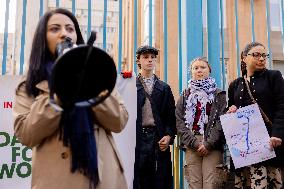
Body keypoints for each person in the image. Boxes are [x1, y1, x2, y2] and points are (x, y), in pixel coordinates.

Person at [13, 8, 128, 189]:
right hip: (57, 181)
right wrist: (59, 91)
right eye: (54, 29)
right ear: (42, 39)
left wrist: (89, 83)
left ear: (77, 36)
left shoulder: (98, 74)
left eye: (70, 28)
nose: (64, 34)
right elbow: (26, 135)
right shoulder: (29, 85)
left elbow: (119, 121)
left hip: (104, 178)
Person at [227, 41, 284, 188]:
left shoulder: (274, 76)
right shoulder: (235, 84)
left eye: (264, 55)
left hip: (269, 145)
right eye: (256, 55)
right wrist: (231, 109)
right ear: (244, 58)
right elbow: (229, 111)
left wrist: (277, 134)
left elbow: (282, 107)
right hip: (244, 150)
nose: (261, 58)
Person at [176, 57, 227, 189]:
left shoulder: (219, 94)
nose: (199, 70)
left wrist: (208, 143)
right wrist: (194, 143)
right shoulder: (185, 95)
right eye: (195, 68)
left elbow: (222, 121)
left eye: (202, 67)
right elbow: (179, 122)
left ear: (209, 70)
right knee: (194, 184)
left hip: (212, 144)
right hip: (192, 142)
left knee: (211, 184)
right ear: (191, 72)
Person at [133, 45, 176, 189]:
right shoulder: (131, 85)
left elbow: (171, 116)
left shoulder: (164, 87)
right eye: (145, 57)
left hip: (158, 139)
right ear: (138, 61)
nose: (150, 60)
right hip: (136, 138)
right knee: (137, 178)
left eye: (152, 57)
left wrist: (169, 136)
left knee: (159, 180)